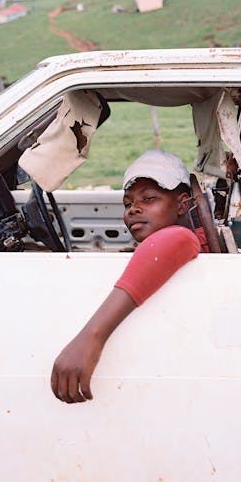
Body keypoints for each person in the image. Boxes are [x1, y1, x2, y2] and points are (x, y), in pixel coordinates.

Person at [50, 150, 207, 403]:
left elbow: (172, 241)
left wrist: (91, 337)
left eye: (149, 198)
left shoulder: (183, 237)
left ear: (182, 204)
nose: (134, 209)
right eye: (128, 203)